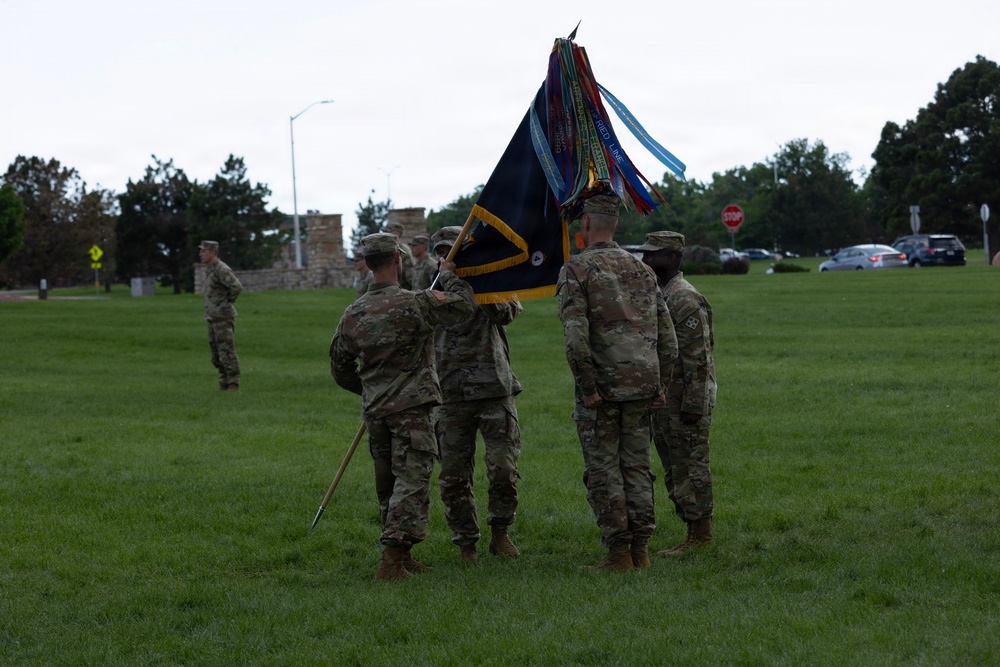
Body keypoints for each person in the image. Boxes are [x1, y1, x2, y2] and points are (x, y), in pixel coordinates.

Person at [330, 232, 477, 580]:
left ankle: (403, 554)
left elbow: (339, 369)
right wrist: (452, 273)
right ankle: (392, 560)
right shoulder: (416, 303)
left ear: (367, 264)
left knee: (389, 484)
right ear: (398, 260)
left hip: (376, 412)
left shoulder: (352, 313)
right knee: (412, 481)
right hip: (412, 411)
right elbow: (464, 306)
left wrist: (371, 390)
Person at [556, 184, 678, 572]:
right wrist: (659, 385)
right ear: (615, 222)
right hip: (642, 385)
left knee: (605, 469)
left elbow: (575, 336)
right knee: (637, 465)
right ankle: (641, 549)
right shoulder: (642, 269)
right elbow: (668, 339)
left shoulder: (576, 269)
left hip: (604, 389)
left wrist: (588, 386)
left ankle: (618, 553)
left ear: (587, 222)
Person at [430, 226, 523, 562]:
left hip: (494, 389)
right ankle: (466, 542)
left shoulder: (492, 281)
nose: (449, 258)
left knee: (503, 468)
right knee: (453, 475)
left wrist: (472, 280)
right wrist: (448, 281)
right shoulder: (430, 289)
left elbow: (505, 313)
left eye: (456, 251)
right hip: (449, 393)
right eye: (443, 253)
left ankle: (501, 532)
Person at [638, 231, 716, 556]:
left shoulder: (683, 298)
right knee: (675, 466)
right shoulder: (663, 293)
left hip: (685, 399)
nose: (645, 261)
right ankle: (692, 531)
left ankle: (701, 536)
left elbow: (698, 358)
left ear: (670, 259)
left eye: (651, 255)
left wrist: (693, 404)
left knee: (690, 466)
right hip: (668, 399)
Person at [199, 240, 243, 391]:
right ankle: (223, 382)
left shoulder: (221, 269)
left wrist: (227, 302)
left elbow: (236, 287)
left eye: (204, 251)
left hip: (223, 317)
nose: (201, 254)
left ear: (212, 252)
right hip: (213, 316)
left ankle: (233, 383)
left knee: (226, 351)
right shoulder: (210, 269)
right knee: (216, 354)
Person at [384, 221, 414, 289]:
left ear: (396, 233)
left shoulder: (404, 252)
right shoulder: (385, 249)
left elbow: (411, 278)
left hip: (401, 292)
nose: (385, 234)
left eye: (388, 231)